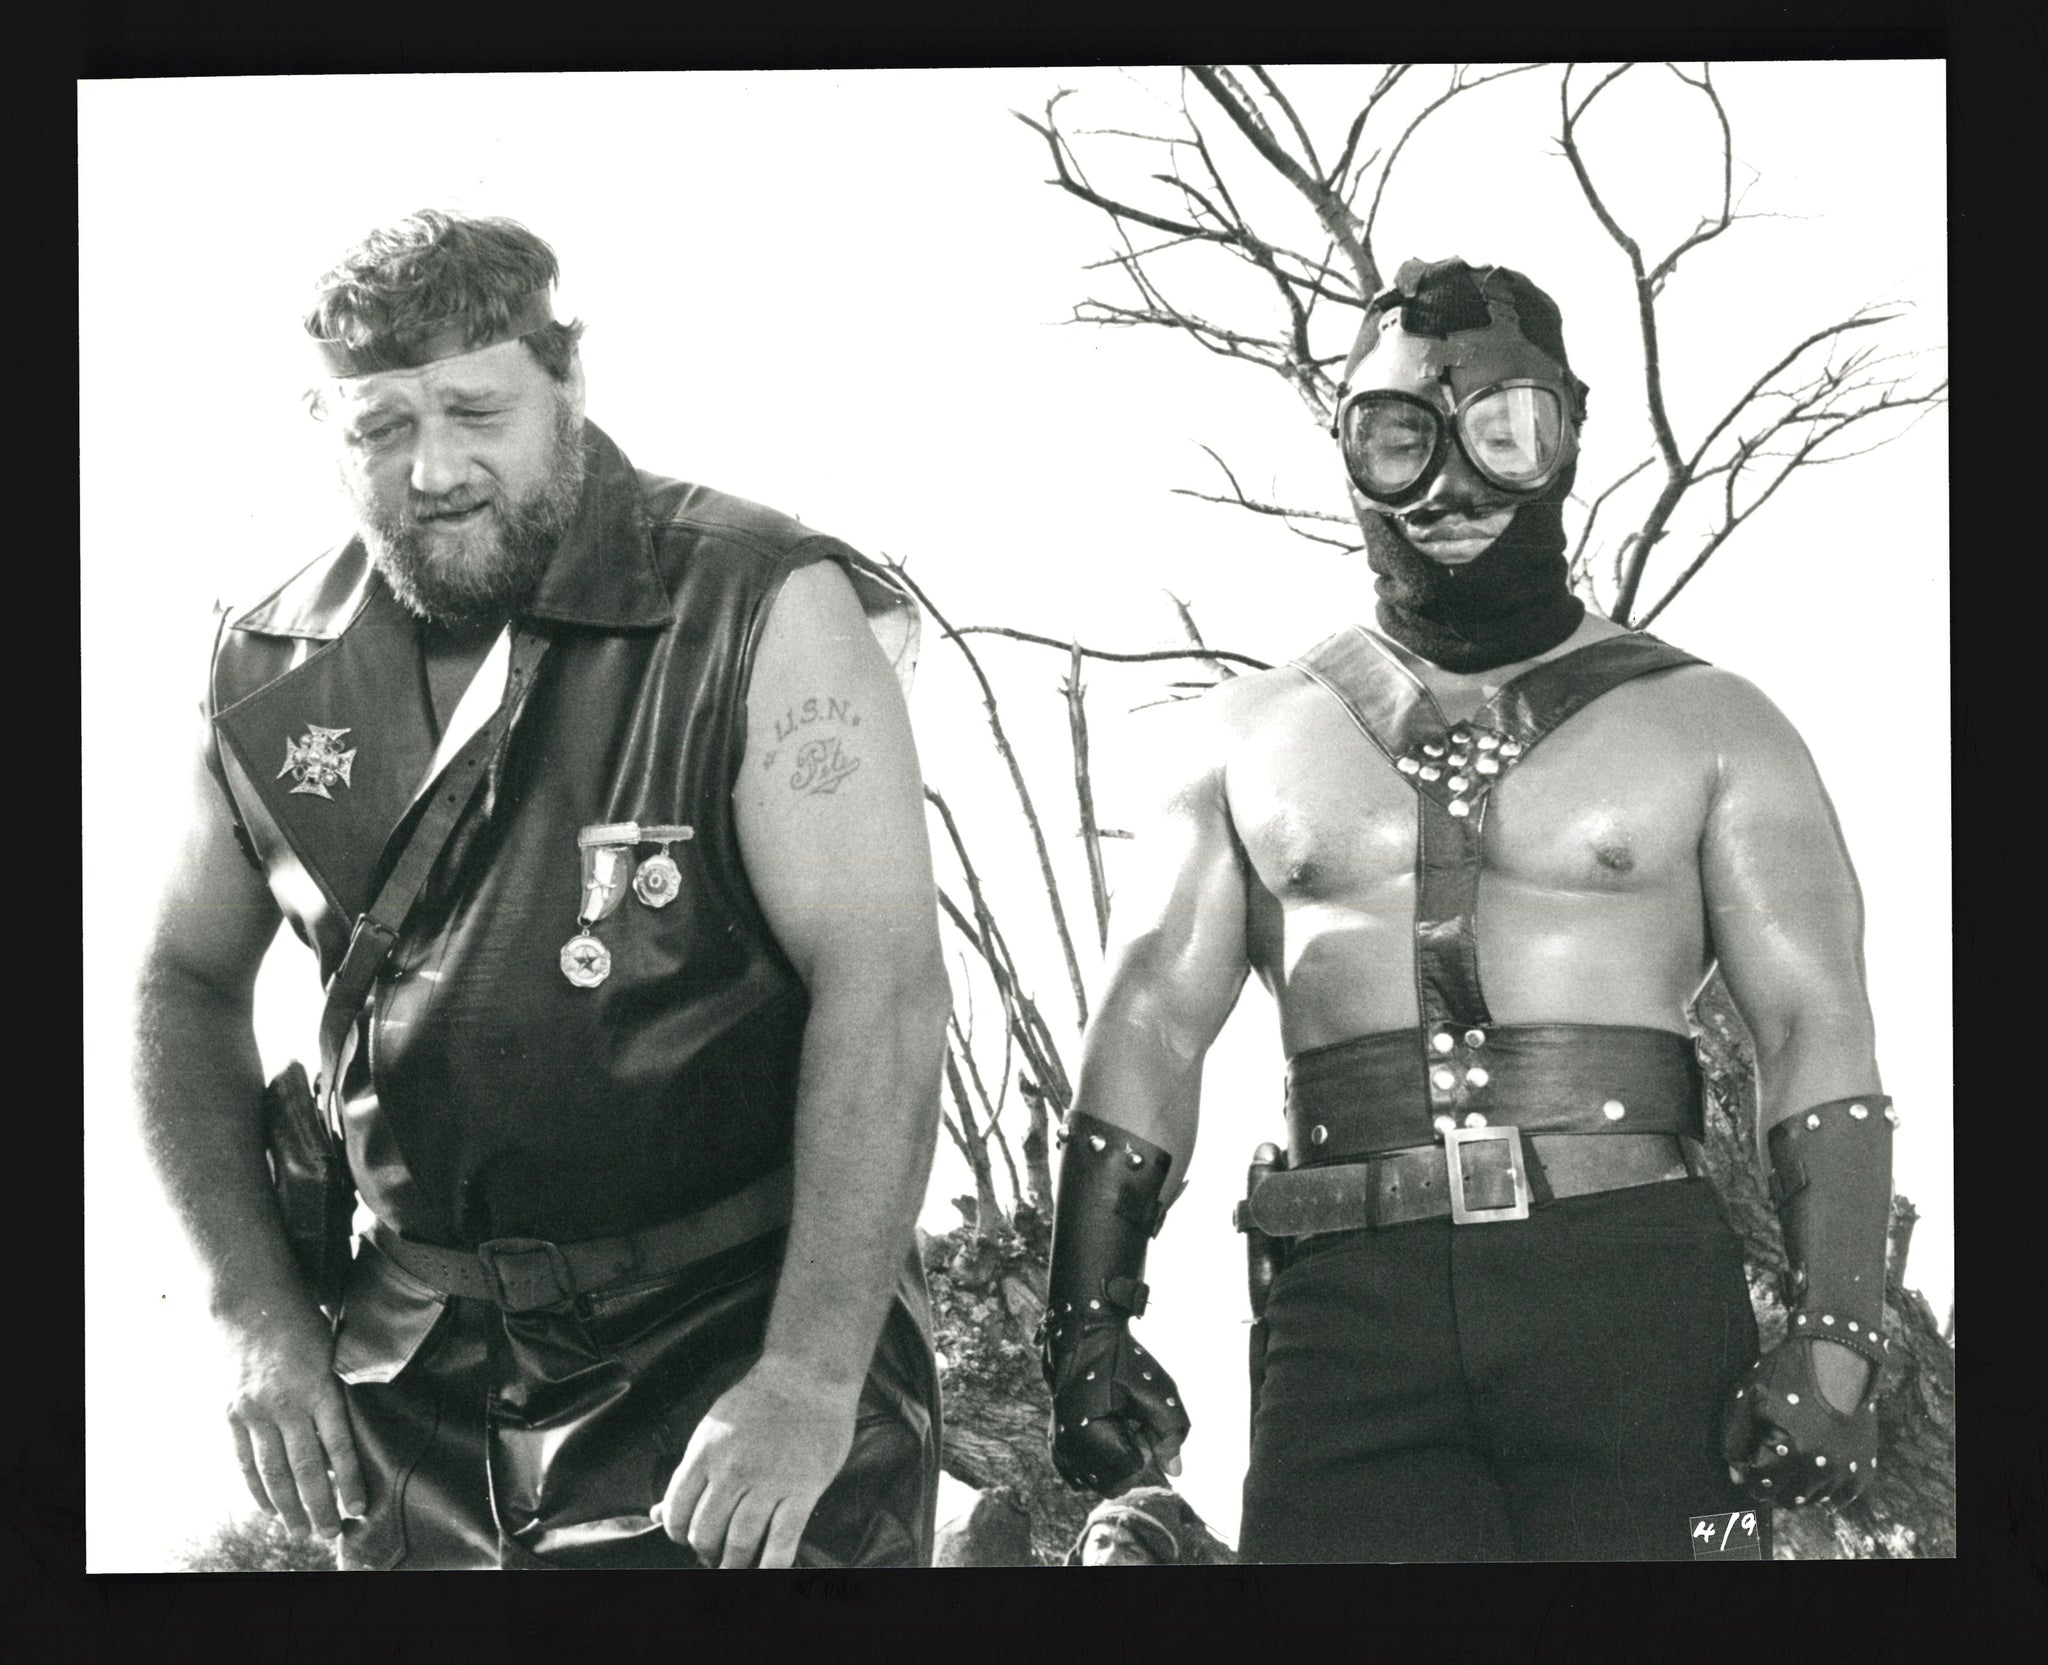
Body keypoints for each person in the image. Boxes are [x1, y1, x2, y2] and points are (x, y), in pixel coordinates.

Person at [1036, 257, 1894, 1561]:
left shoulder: (1714, 723)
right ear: (1349, 451)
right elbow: (1149, 1016)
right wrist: (1084, 1323)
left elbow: (1815, 1019)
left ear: (1565, 436)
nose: (1447, 485)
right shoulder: (1246, 738)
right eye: (1398, 439)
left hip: (1632, 1290)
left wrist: (1839, 1335)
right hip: (1346, 1310)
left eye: (1503, 431)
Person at [132, 210, 951, 1570]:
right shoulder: (267, 663)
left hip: (730, 1348)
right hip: (415, 1386)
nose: (434, 469)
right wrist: (250, 1308)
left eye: (476, 410)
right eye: (382, 427)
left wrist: (810, 1378)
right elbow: (180, 978)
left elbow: (886, 988)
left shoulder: (757, 600)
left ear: (568, 380)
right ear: (324, 429)